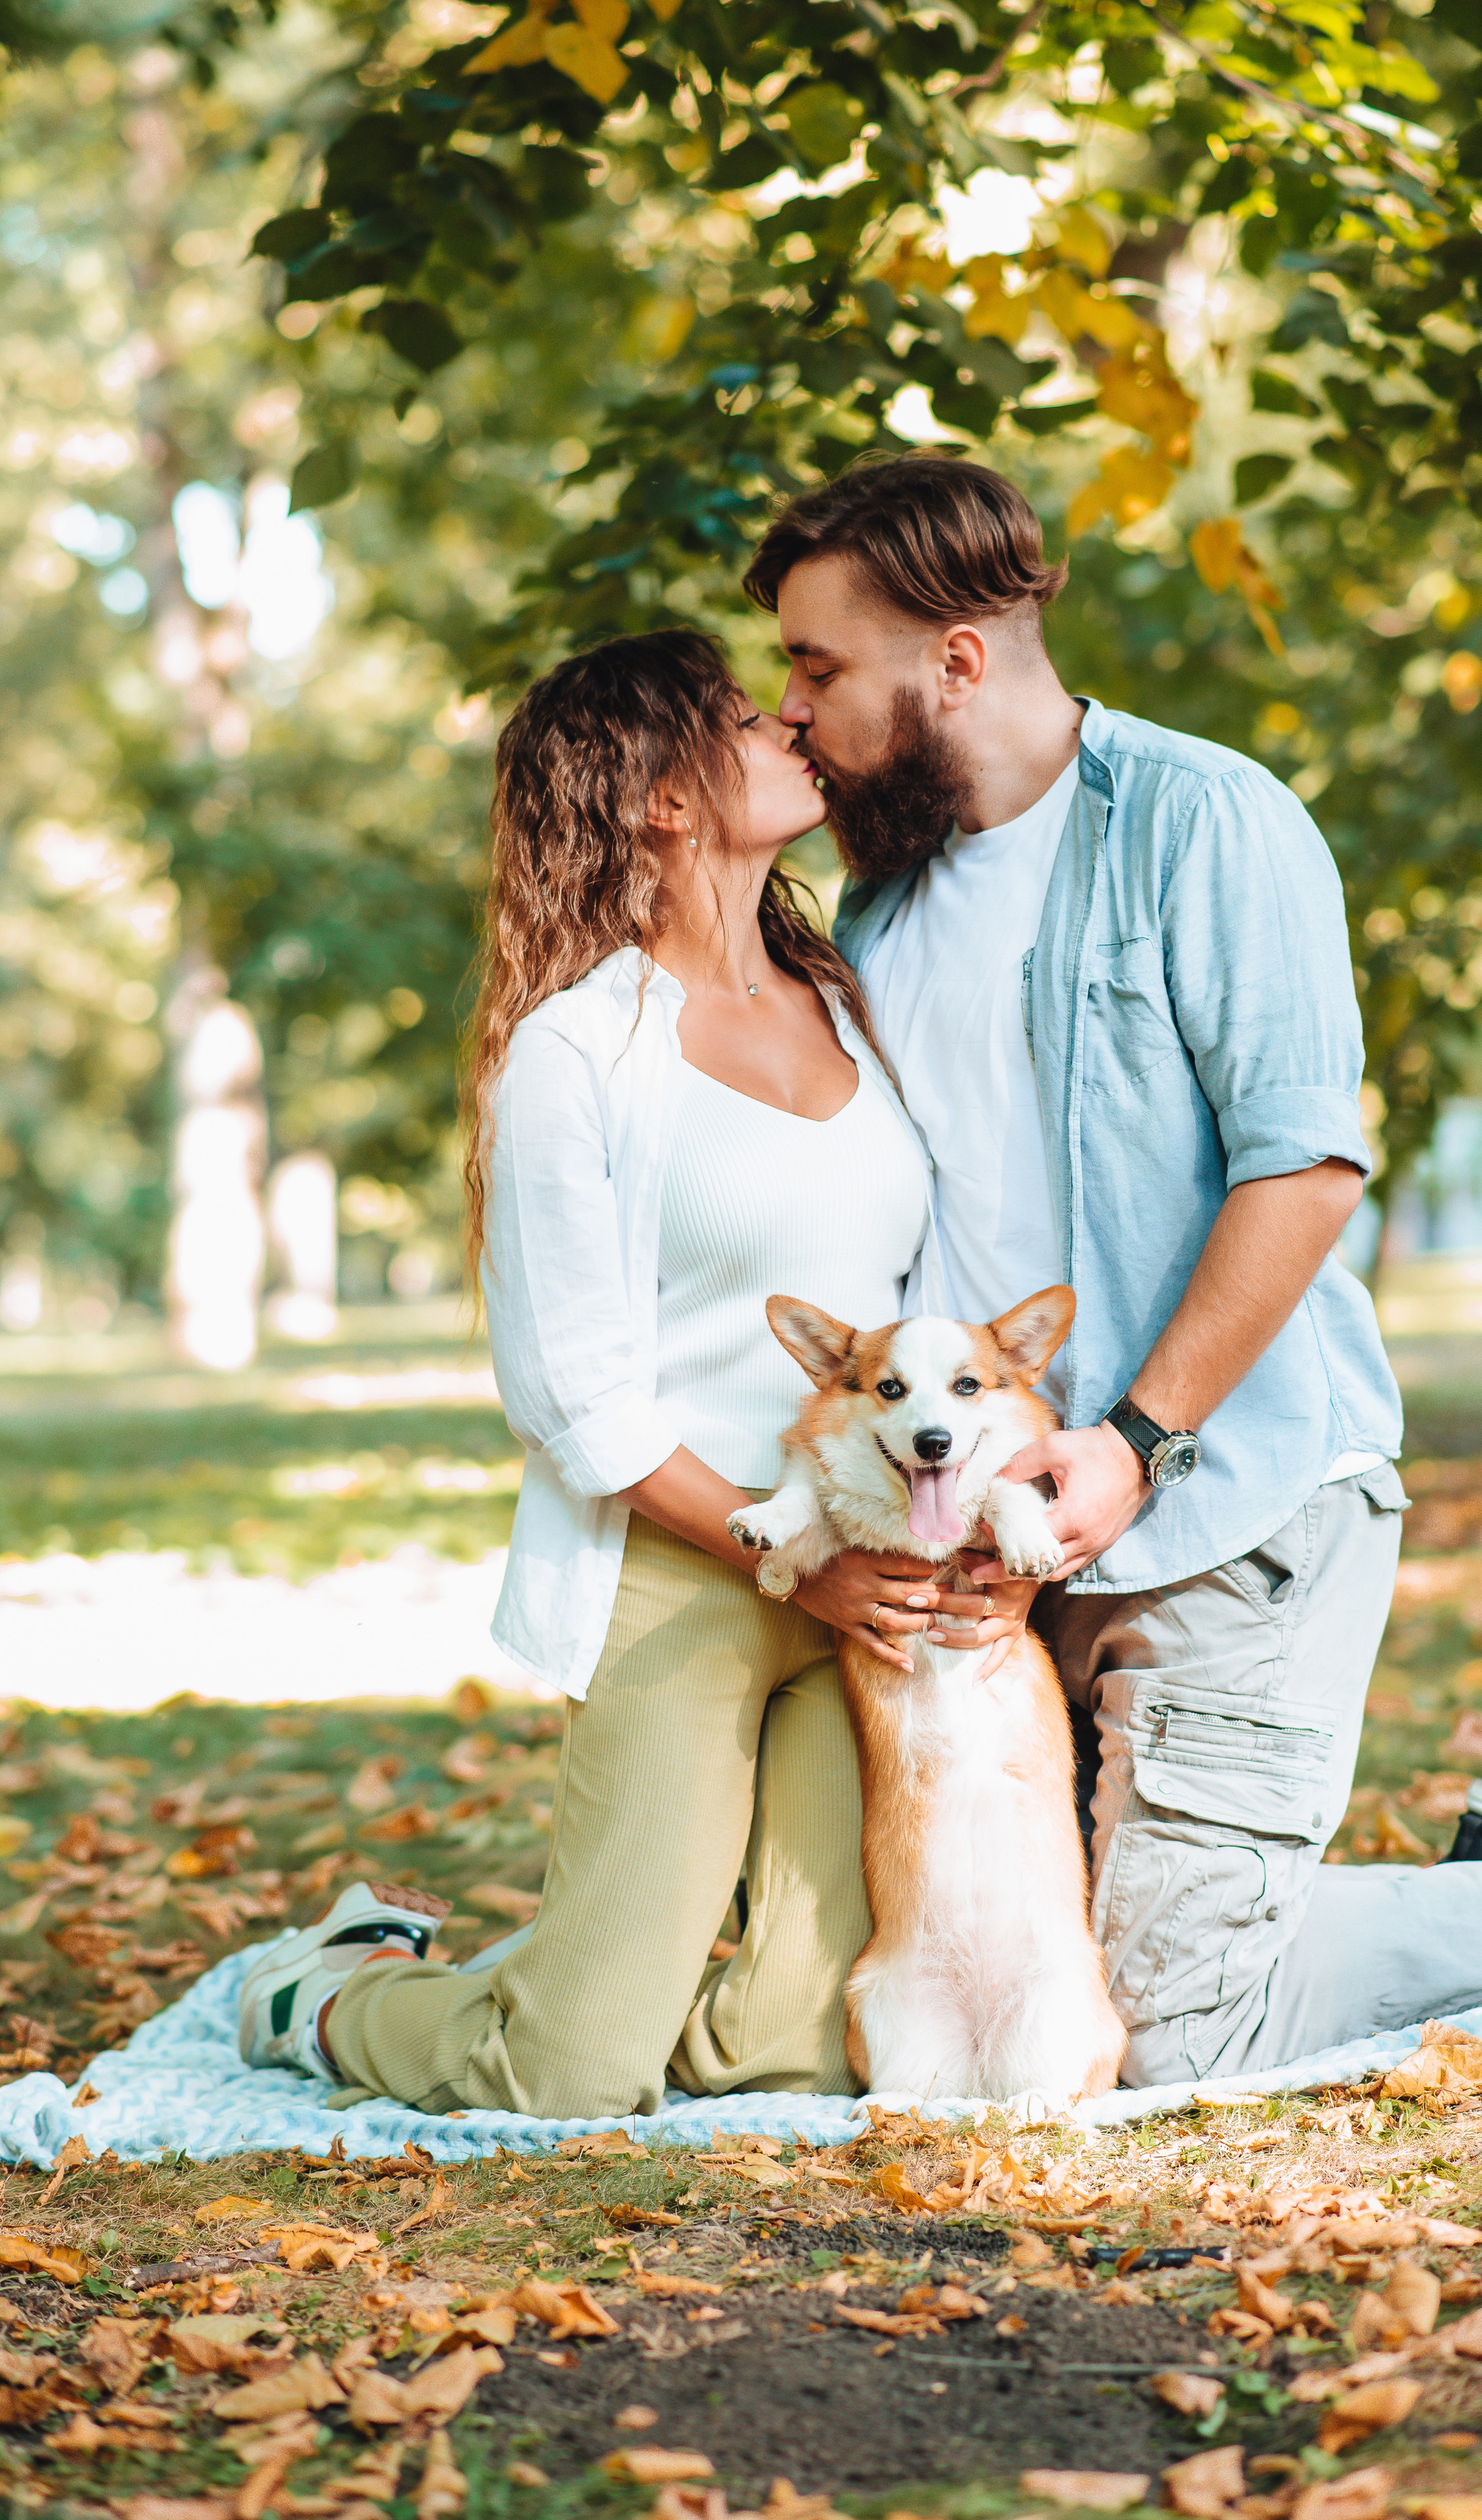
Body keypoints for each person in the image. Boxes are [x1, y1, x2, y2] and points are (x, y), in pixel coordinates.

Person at [741, 452, 1482, 2086]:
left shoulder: (1207, 821)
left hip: (1230, 1499)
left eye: (818, 668)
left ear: (954, 660)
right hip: (1009, 1542)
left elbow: (1304, 1167)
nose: (792, 710)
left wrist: (1136, 1440)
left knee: (1173, 2027)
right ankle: (1426, 1881)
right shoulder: (878, 905)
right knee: (1040, 1979)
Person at [238, 627, 1009, 2119]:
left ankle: (598, 1974)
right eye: (740, 716)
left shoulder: (846, 994)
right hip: (687, 1568)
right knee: (568, 2072)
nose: (789, 719)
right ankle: (329, 1990)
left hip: (872, 1554)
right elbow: (575, 1399)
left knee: (792, 2048)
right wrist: (790, 1562)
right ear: (659, 797)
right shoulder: (575, 1055)